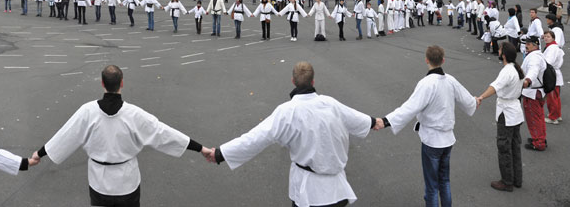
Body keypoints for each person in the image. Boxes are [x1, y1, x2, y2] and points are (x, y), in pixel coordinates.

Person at [206, 62, 382, 207]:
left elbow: (256, 137)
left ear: (293, 81)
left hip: (309, 193)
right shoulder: (331, 103)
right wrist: (376, 122)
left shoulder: (287, 111)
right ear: (313, 82)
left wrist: (221, 153)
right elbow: (359, 120)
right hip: (337, 190)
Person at [32, 65, 211, 206]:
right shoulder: (134, 114)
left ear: (102, 84)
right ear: (122, 83)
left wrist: (39, 154)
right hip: (127, 183)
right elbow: (163, 133)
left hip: (99, 183)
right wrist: (200, 148)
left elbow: (65, 136)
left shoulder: (87, 111)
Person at [379, 46, 476, 207]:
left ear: (426, 60)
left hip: (432, 140)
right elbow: (467, 101)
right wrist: (475, 101)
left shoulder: (426, 83)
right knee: (444, 181)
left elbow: (410, 107)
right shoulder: (451, 81)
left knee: (432, 186)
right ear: (443, 60)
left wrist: (386, 120)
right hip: (447, 140)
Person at [475, 42, 526, 192]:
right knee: (515, 146)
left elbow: (495, 87)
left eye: (500, 50)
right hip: (516, 111)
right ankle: (517, 179)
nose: (497, 51)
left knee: (504, 147)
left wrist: (481, 97)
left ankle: (507, 181)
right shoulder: (517, 69)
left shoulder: (507, 71)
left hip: (507, 112)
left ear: (503, 54)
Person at [519, 36, 548, 151]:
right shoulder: (537, 55)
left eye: (529, 44)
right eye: (526, 43)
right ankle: (540, 137)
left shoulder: (534, 58)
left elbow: (533, 70)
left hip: (532, 92)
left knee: (533, 118)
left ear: (535, 45)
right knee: (539, 117)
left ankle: (538, 143)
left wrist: (527, 80)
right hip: (538, 91)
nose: (526, 45)